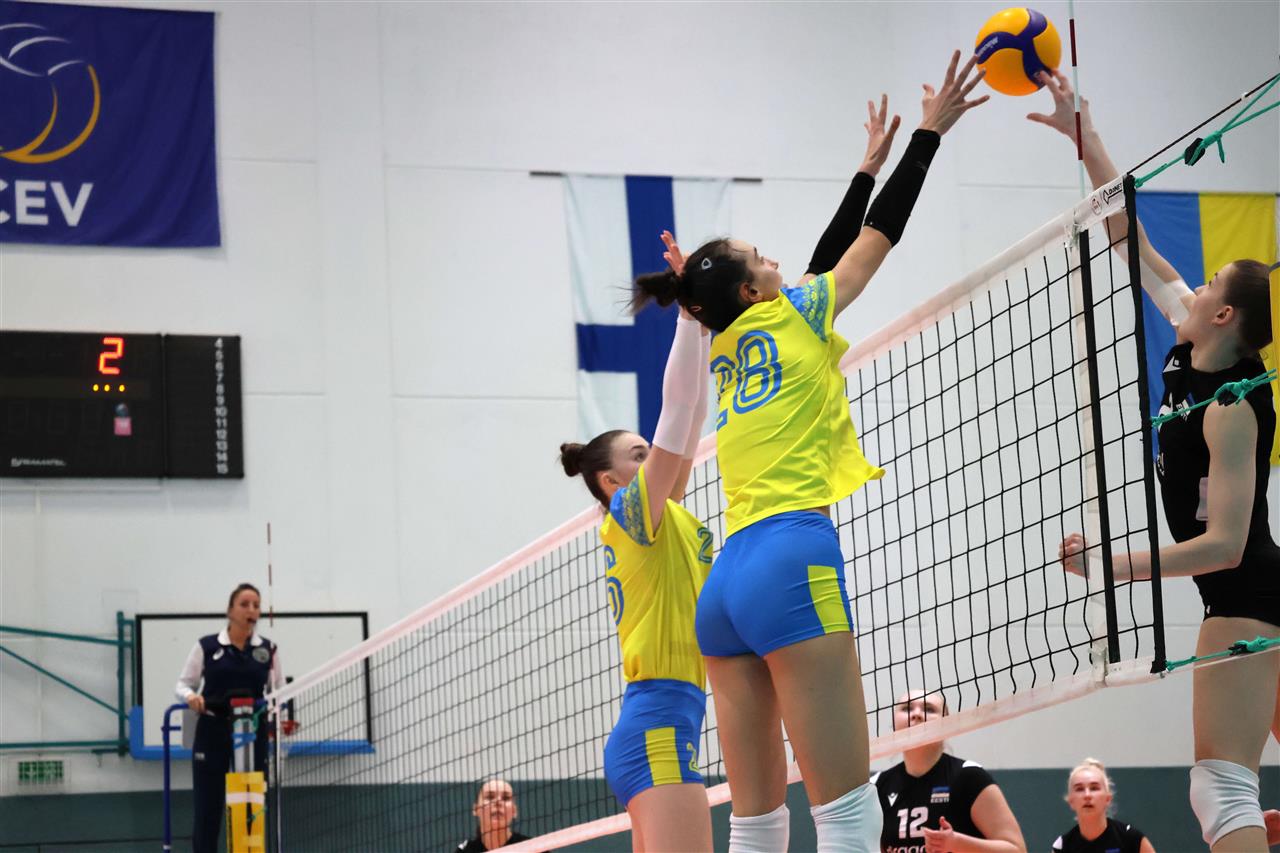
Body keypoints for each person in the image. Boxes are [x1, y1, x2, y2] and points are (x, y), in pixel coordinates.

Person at [633, 50, 988, 853]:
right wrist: (926, 136)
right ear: (753, 290)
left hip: (727, 587)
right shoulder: (794, 313)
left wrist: (864, 168)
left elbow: (820, 257)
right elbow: (874, 239)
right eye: (763, 258)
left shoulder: (726, 339)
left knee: (756, 825)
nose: (779, 263)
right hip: (792, 559)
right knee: (850, 816)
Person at [1041, 71, 1280, 853]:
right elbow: (1127, 235)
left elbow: (1226, 546)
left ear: (1223, 314)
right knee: (1225, 786)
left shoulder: (1232, 404)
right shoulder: (1189, 342)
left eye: (1207, 283)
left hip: (1247, 594)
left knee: (1219, 787)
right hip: (1254, 597)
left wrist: (1112, 565)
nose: (1193, 285)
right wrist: (1085, 135)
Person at [558, 279, 712, 851]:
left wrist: (702, 324)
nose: (653, 458)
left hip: (665, 721)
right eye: (639, 455)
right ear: (611, 480)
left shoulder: (661, 514)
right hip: (657, 725)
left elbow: (691, 417)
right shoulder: (631, 515)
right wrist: (686, 317)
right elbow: (675, 412)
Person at [174, 582, 283, 853]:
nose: (251, 610)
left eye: (256, 605)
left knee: (251, 804)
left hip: (252, 731)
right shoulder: (207, 646)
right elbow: (183, 685)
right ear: (230, 611)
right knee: (208, 806)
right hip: (213, 730)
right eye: (244, 604)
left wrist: (278, 717)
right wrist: (191, 697)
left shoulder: (268, 650)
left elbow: (278, 693)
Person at [871, 690, 1025, 853]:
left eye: (929, 709)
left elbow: (1018, 850)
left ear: (946, 724)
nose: (916, 714)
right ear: (894, 723)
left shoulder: (969, 777)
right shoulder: (877, 786)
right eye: (907, 708)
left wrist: (957, 844)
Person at [1050, 758, 1154, 853]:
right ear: (1071, 801)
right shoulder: (1063, 846)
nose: (1087, 795)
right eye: (1079, 789)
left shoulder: (1131, 839)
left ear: (1107, 799)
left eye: (1094, 788)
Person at [455, 779, 531, 852]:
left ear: (514, 811)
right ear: (476, 809)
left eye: (505, 798)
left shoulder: (530, 847)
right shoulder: (465, 850)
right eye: (490, 797)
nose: (498, 802)